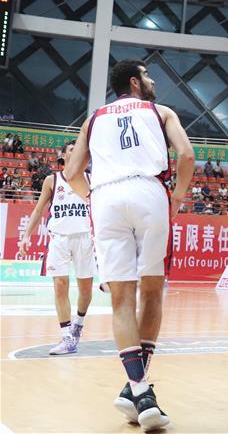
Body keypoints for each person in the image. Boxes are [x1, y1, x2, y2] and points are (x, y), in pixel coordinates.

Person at [64, 59, 195, 431]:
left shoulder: (94, 119)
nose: (153, 81)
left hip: (105, 197)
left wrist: (92, 196)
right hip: (148, 191)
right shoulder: (161, 111)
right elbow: (186, 155)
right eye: (148, 75)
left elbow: (71, 173)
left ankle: (135, 389)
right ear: (135, 83)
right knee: (151, 293)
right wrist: (178, 198)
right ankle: (142, 393)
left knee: (121, 298)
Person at [19, 141, 95, 355]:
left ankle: (78, 323)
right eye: (71, 149)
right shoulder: (51, 180)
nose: (76, 151)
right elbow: (38, 210)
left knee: (85, 289)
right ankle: (66, 336)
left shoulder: (91, 179)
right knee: (60, 284)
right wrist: (25, 236)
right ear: (62, 155)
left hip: (84, 238)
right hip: (59, 239)